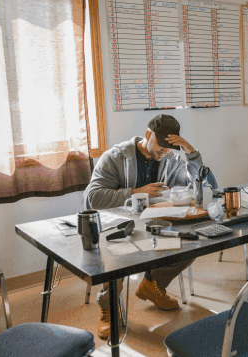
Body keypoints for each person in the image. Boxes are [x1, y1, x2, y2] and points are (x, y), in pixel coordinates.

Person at [83, 114, 204, 339]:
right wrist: (137, 192)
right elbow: (94, 198)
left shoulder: (173, 159)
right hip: (118, 228)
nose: (165, 151)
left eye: (171, 147)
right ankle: (109, 307)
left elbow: (200, 186)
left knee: (192, 239)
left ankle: (152, 283)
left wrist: (191, 153)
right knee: (117, 253)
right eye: (161, 145)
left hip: (155, 224)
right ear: (148, 135)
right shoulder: (114, 157)